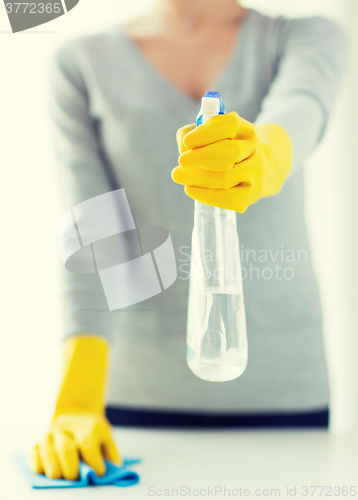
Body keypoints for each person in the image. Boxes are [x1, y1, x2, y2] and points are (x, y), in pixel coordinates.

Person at [29, 0, 346, 481]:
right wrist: (76, 403)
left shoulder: (300, 39)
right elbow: (99, 243)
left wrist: (260, 160)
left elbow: (301, 112)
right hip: (135, 408)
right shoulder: (83, 63)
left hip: (286, 403)